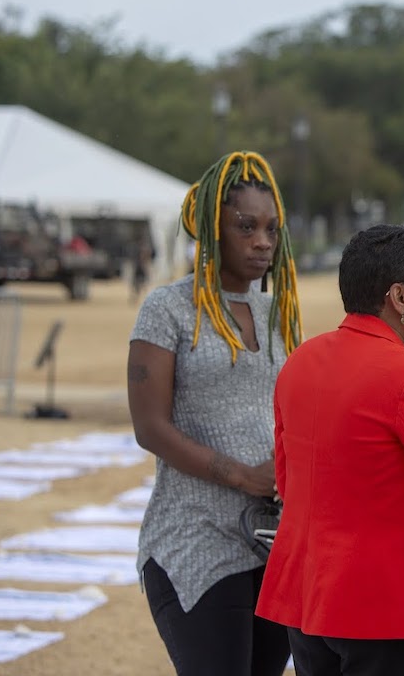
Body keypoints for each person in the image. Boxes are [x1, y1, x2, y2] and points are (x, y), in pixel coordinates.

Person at [256, 225, 404, 676]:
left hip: (310, 595)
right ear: (399, 297)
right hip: (391, 606)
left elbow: (288, 482)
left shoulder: (301, 361)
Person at [127, 151, 303, 676]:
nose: (263, 241)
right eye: (246, 226)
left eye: (272, 229)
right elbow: (149, 427)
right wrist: (243, 475)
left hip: (273, 542)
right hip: (195, 537)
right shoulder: (167, 309)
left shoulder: (280, 312)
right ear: (211, 228)